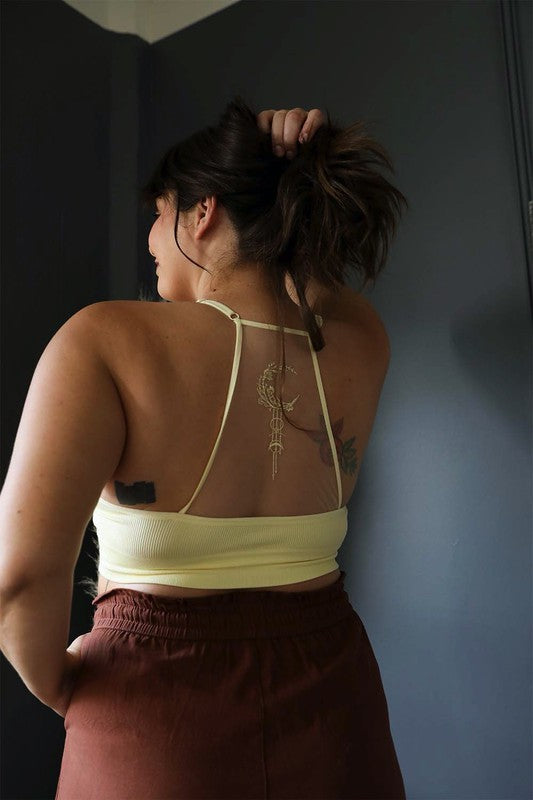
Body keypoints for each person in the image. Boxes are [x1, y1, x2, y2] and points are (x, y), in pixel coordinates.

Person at [0, 98, 408, 799]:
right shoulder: (358, 337)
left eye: (159, 213)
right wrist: (287, 172)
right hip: (334, 705)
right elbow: (315, 285)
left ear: (202, 212)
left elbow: (18, 582)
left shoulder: (106, 340)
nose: (150, 239)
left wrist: (65, 689)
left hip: (157, 718)